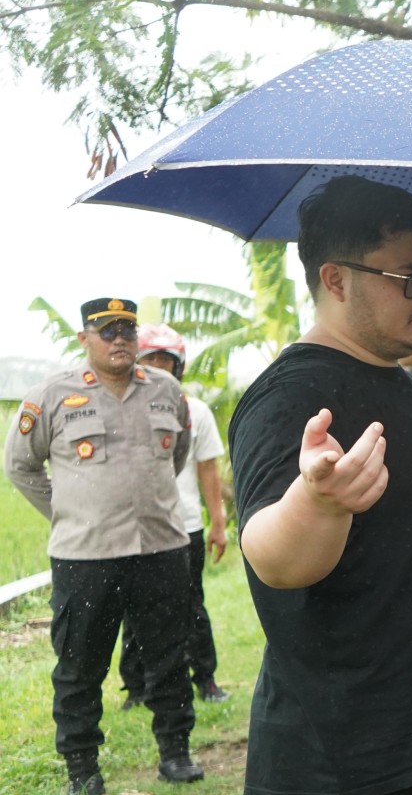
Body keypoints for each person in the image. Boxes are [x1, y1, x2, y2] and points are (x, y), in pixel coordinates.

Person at [228, 175, 412, 795]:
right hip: (360, 762)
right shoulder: (292, 396)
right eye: (408, 277)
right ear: (336, 279)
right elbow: (272, 558)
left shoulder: (400, 383)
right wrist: (315, 502)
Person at [5, 298, 203, 794]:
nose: (119, 340)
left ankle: (175, 753)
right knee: (80, 665)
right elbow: (20, 466)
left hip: (161, 550)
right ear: (84, 338)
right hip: (85, 557)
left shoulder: (167, 391)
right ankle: (82, 769)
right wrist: (69, 512)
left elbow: (176, 455)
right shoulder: (51, 395)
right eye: (107, 330)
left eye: (127, 331)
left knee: (168, 656)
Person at [119, 324, 230, 710]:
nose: (157, 367)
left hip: (185, 527)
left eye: (165, 361)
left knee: (190, 604)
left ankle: (206, 679)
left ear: (178, 366)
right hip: (134, 529)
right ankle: (136, 688)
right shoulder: (120, 409)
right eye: (149, 359)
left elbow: (208, 471)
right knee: (133, 608)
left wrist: (219, 525)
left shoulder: (196, 411)